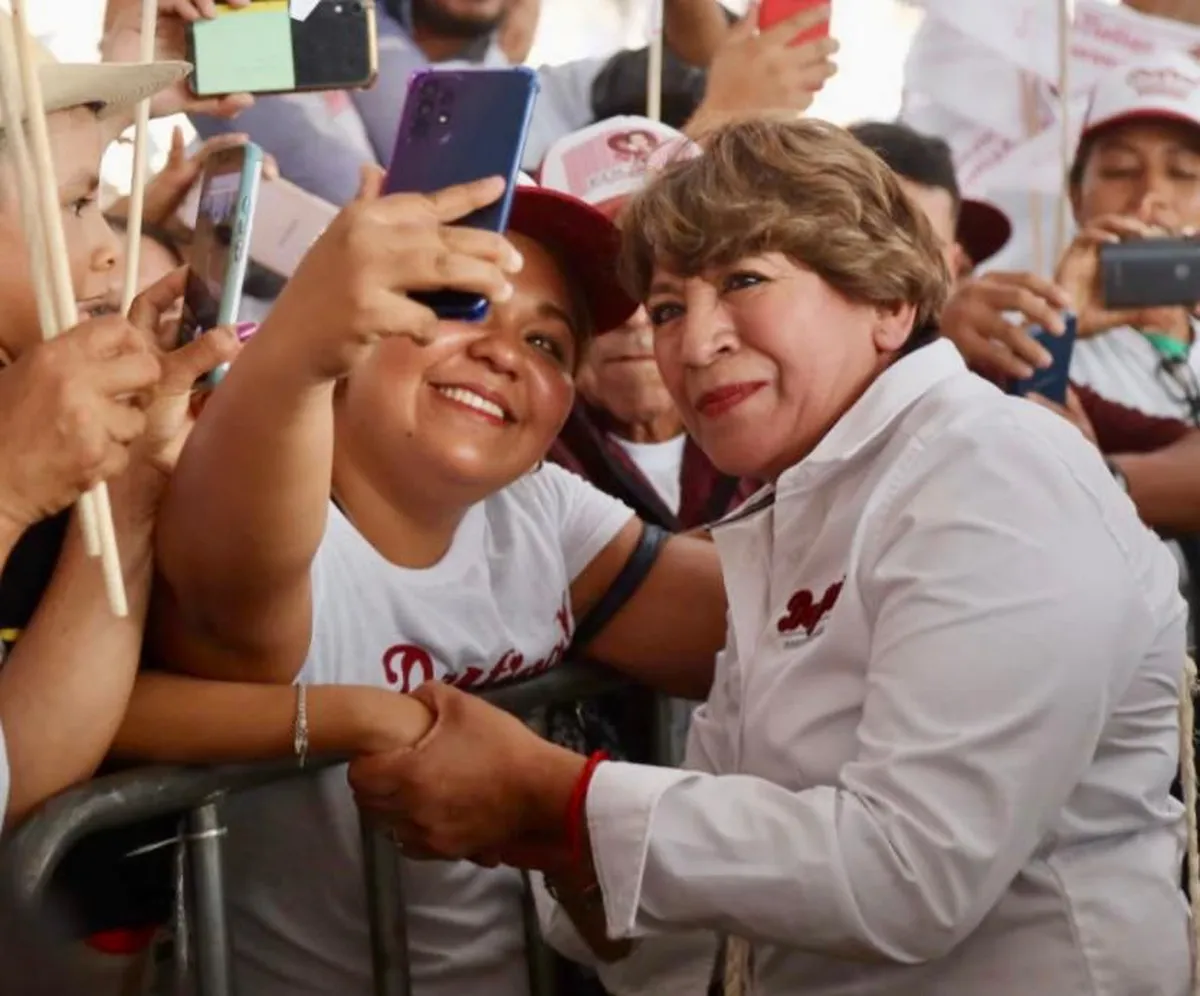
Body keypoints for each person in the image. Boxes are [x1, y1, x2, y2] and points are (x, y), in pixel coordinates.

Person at [349, 118, 1194, 996]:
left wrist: (557, 800)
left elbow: (913, 875)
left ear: (888, 304)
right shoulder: (799, 511)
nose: (694, 341)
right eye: (668, 307)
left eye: (745, 280)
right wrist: (554, 832)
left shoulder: (990, 466)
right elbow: (692, 933)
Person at [128, 168, 727, 995]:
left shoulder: (538, 510)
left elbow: (767, 630)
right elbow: (241, 560)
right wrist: (302, 344)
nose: (500, 352)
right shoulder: (270, 503)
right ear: (355, 326)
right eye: (455, 303)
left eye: (547, 343)